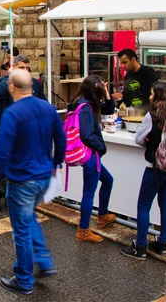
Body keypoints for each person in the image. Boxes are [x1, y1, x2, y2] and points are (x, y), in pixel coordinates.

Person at [0, 69, 66, 295]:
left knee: (21, 230)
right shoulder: (47, 108)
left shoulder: (13, 113)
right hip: (44, 176)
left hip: (22, 179)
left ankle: (24, 279)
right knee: (29, 218)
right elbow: (61, 137)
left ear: (11, 87)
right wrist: (56, 163)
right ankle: (44, 261)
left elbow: (3, 151)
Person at [121, 83, 166, 260]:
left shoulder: (153, 116)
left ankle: (140, 247)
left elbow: (138, 138)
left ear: (158, 96)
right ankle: (163, 243)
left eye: (151, 94)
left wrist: (149, 144)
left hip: (156, 167)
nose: (149, 97)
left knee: (143, 206)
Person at [0, 55, 47, 211]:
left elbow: (43, 103)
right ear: (13, 67)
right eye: (22, 68)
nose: (26, 71)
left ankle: (2, 192)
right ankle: (1, 192)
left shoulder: (34, 83)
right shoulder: (3, 81)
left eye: (28, 68)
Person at [68, 75, 116, 242]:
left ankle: (102, 215)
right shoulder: (86, 108)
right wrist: (101, 147)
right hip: (90, 155)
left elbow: (109, 109)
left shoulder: (82, 103)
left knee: (108, 180)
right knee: (89, 192)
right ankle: (83, 230)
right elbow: (87, 135)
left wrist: (108, 94)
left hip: (90, 154)